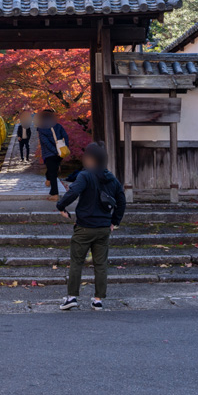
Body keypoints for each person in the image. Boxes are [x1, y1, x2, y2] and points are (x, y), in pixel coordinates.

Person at [55, 143, 126, 311]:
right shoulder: (111, 178)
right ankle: (98, 299)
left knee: (77, 262)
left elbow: (73, 192)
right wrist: (114, 222)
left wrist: (61, 206)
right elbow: (121, 201)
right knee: (101, 264)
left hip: (85, 227)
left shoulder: (85, 176)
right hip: (103, 228)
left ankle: (72, 297)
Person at [36, 109, 70, 200]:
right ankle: (49, 180)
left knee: (53, 172)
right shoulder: (58, 126)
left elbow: (45, 142)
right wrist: (64, 147)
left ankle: (55, 194)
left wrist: (55, 151)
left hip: (49, 153)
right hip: (60, 152)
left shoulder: (41, 129)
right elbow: (65, 136)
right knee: (53, 170)